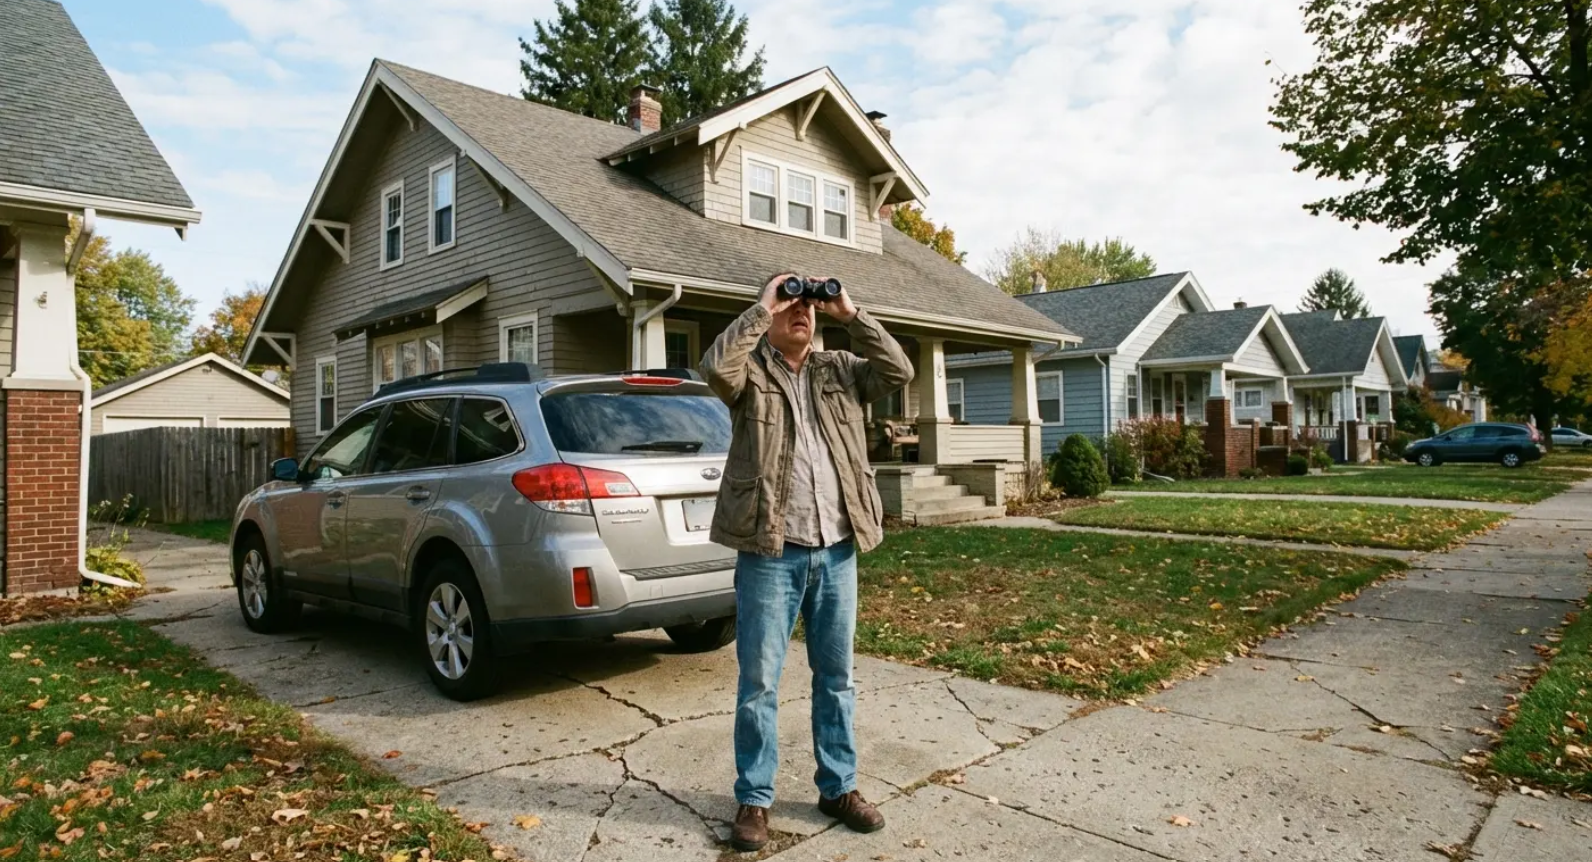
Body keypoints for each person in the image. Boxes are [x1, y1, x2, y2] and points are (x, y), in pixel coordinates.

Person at [699, 272, 914, 852]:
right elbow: (715, 368)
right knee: (759, 683)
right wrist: (761, 306)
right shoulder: (750, 372)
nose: (801, 312)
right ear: (770, 313)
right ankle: (754, 799)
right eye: (789, 304)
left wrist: (851, 313)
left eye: (808, 306)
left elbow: (899, 372)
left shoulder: (840, 369)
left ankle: (838, 788)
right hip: (771, 552)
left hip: (837, 548)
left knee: (837, 678)